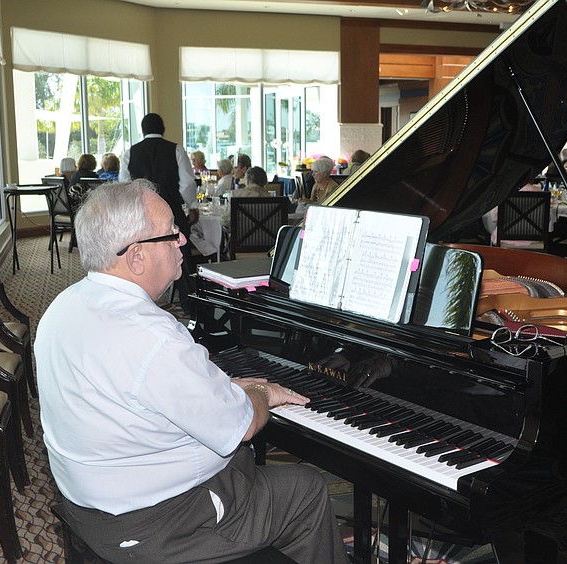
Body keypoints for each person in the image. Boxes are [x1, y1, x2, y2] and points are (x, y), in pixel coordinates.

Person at [35, 180, 348, 564]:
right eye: (171, 232)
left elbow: (137, 391)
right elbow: (242, 426)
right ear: (136, 256)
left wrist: (224, 387)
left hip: (90, 506)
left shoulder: (63, 306)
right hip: (157, 525)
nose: (183, 239)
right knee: (306, 488)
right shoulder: (152, 335)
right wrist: (263, 394)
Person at [119, 113, 197, 313]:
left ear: (143, 130)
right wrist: (192, 205)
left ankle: (140, 303)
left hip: (140, 216)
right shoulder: (176, 150)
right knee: (181, 256)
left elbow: (124, 186)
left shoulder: (130, 153)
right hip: (171, 211)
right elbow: (187, 184)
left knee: (140, 256)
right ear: (163, 128)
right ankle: (189, 304)